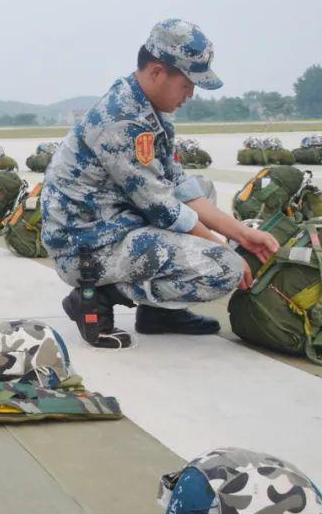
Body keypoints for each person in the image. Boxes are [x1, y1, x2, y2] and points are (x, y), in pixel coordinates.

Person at [41, 19, 279, 349]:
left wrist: (242, 234)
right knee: (222, 268)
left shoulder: (150, 111)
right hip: (86, 247)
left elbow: (179, 187)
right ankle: (96, 297)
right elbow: (164, 208)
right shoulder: (122, 120)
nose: (191, 93)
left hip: (114, 223)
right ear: (156, 72)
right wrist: (225, 251)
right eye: (187, 84)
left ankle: (160, 314)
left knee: (202, 189)